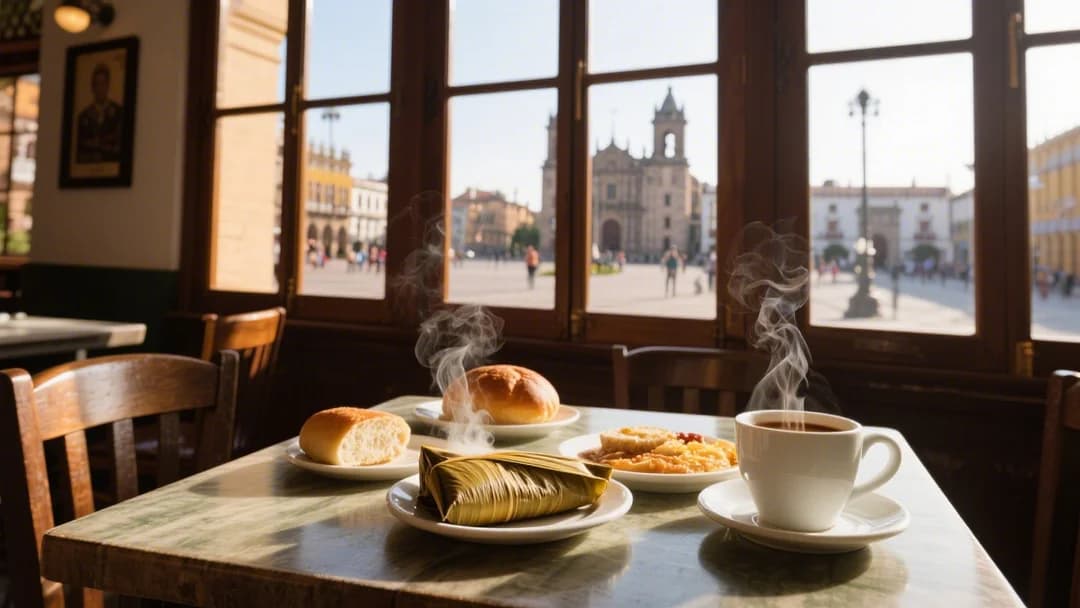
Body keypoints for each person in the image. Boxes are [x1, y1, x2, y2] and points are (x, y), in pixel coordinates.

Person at [76, 63, 124, 163]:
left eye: (103, 84)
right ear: (92, 87)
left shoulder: (119, 113)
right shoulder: (83, 116)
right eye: (97, 84)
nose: (100, 88)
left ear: (107, 86)